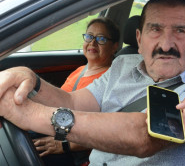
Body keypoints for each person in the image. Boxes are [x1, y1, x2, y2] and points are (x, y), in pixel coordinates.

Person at [0, 0, 185, 165]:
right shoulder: (123, 65)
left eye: (180, 31)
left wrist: (29, 114)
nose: (166, 44)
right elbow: (73, 103)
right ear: (139, 38)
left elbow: (144, 135)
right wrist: (31, 80)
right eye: (155, 29)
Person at [33, 17, 120, 166]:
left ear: (114, 47)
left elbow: (106, 132)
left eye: (101, 39)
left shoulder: (111, 80)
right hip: (56, 130)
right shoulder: (80, 70)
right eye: (89, 36)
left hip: (74, 152)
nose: (92, 43)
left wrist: (63, 145)